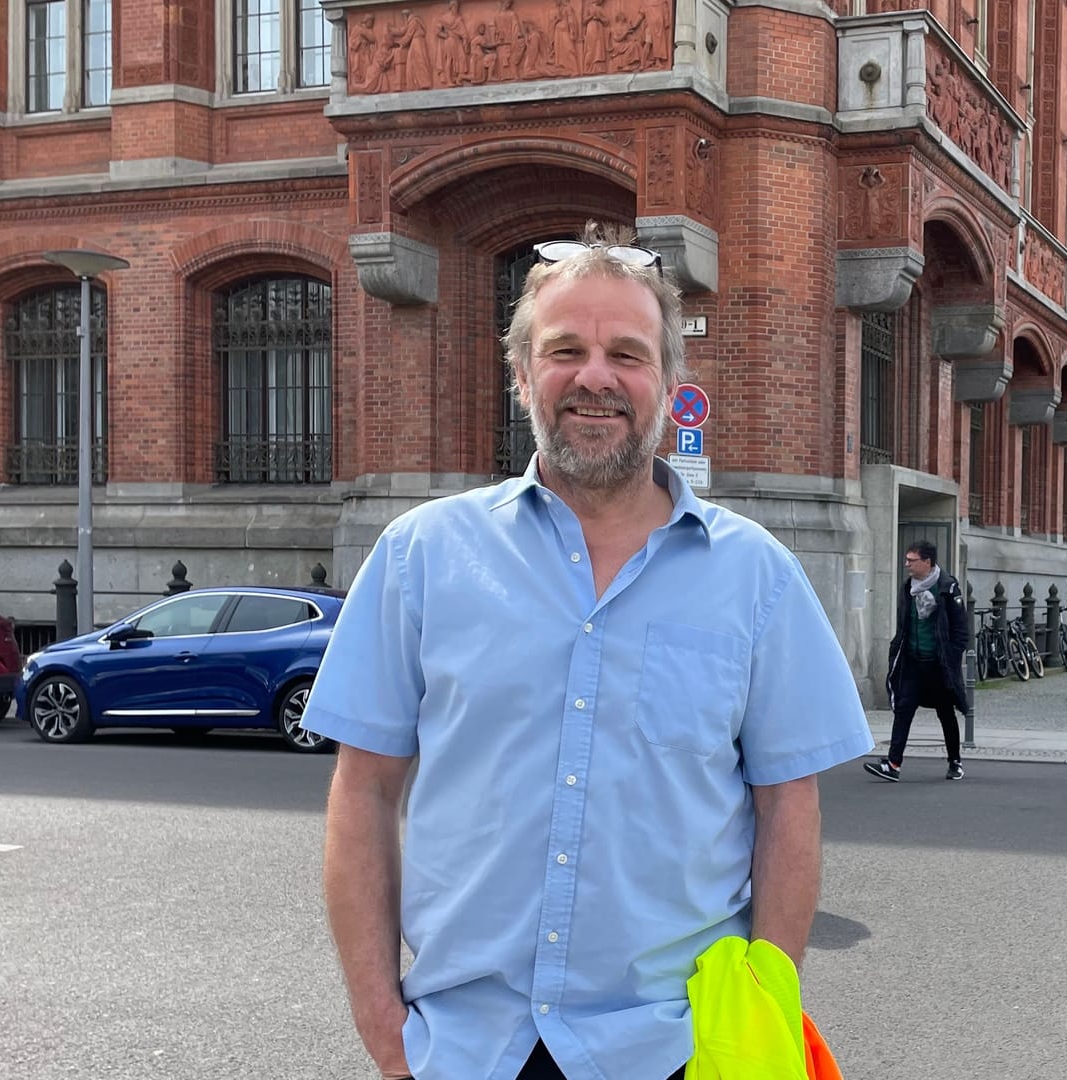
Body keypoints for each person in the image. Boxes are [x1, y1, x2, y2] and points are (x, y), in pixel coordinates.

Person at [305, 225, 874, 1080]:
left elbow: (787, 809)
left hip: (674, 1048)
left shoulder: (757, 576)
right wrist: (383, 1026)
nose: (596, 377)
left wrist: (762, 1005)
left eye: (628, 354)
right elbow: (364, 789)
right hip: (465, 1050)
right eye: (565, 348)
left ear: (669, 380)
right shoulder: (421, 556)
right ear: (522, 374)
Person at [865, 540, 969, 782]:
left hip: (938, 663)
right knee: (903, 709)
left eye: (912, 560)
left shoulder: (947, 587)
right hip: (912, 661)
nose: (907, 565)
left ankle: (955, 761)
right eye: (907, 560)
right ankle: (893, 764)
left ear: (927, 562)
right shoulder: (907, 588)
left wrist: (951, 658)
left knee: (946, 713)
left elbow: (961, 630)